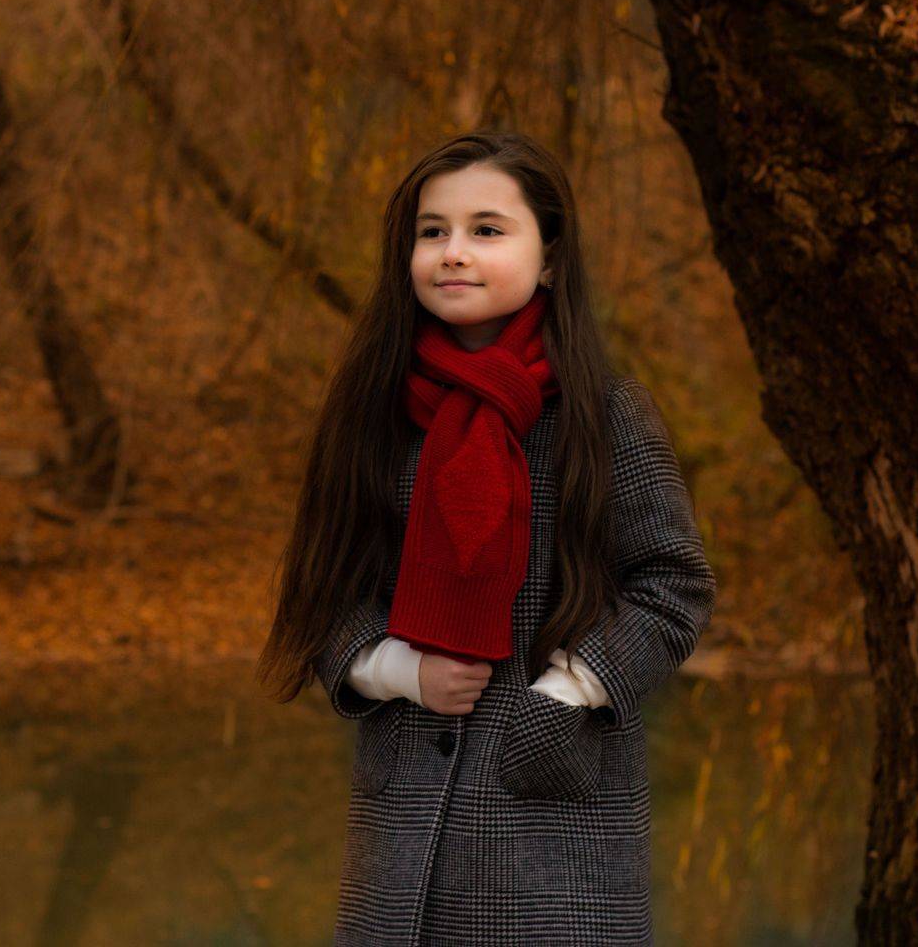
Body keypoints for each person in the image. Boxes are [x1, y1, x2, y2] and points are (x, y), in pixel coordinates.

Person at [256, 130, 717, 945]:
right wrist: (401, 670)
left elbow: (673, 587)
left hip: (556, 833)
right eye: (432, 231)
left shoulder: (605, 414)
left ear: (549, 258)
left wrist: (566, 693)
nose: (454, 252)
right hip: (401, 837)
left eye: (487, 229)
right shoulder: (373, 415)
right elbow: (323, 591)